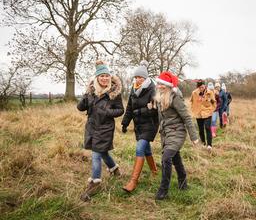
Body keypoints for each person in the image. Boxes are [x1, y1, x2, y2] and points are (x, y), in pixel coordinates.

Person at [77, 60, 124, 202]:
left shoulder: (113, 93)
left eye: (107, 76)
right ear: (97, 77)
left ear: (110, 77)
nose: (104, 78)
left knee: (96, 154)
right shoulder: (91, 92)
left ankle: (95, 182)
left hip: (105, 128)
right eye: (102, 76)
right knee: (102, 152)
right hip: (92, 127)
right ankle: (115, 170)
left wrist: (108, 112)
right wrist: (85, 96)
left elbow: (120, 110)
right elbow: (80, 108)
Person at [154, 71, 198, 200]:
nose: (160, 86)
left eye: (162, 84)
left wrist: (194, 137)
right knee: (175, 156)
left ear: (168, 85)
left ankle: (163, 190)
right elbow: (161, 117)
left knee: (166, 158)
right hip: (166, 133)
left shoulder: (175, 97)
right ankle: (183, 182)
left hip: (177, 131)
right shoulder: (159, 97)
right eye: (158, 84)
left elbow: (187, 117)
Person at [121, 60, 159, 193]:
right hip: (138, 125)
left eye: (140, 77)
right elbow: (130, 108)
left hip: (150, 125)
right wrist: (125, 123)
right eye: (136, 77)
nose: (138, 80)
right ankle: (154, 170)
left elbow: (155, 110)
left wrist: (141, 111)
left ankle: (133, 181)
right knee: (146, 149)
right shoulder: (133, 89)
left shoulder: (152, 89)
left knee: (140, 148)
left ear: (146, 78)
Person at [190, 79, 216, 150]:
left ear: (205, 86)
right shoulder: (194, 93)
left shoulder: (210, 92)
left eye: (202, 87)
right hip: (198, 113)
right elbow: (191, 102)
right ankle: (203, 143)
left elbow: (214, 102)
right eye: (200, 87)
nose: (201, 88)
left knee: (207, 127)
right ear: (197, 87)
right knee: (201, 129)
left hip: (207, 112)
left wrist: (211, 110)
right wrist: (194, 110)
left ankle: (209, 145)